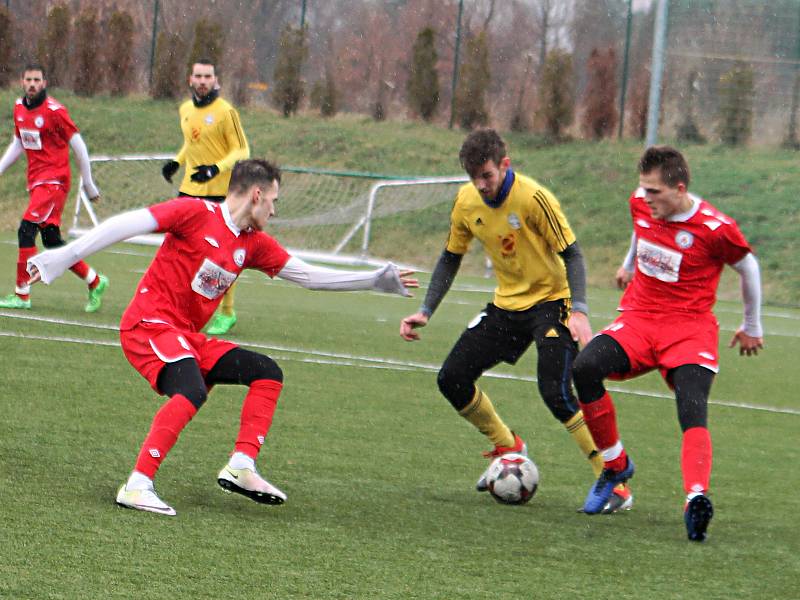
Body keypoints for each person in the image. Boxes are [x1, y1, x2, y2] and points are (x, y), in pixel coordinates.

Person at [28, 158, 418, 517]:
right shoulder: (195, 212)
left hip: (183, 336)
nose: (275, 211)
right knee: (192, 389)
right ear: (257, 194)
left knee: (267, 372)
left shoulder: (253, 244)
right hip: (147, 326)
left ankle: (241, 466)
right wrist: (63, 257)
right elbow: (125, 224)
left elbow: (309, 277)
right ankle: (137, 484)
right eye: (274, 201)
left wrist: (374, 280)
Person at [399, 129, 632, 512]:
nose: (481, 185)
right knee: (452, 378)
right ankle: (507, 444)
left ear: (505, 165)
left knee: (555, 393)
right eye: (474, 177)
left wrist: (580, 311)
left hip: (551, 302)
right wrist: (426, 309)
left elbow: (573, 255)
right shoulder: (466, 201)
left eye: (487, 176)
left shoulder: (534, 199)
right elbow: (450, 257)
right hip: (507, 305)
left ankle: (614, 479)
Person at [572, 145, 764, 541]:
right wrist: (629, 263)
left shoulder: (715, 229)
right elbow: (639, 227)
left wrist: (751, 325)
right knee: (585, 368)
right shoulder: (642, 205)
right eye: (642, 190)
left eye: (654, 192)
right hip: (641, 319)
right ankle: (615, 465)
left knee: (691, 402)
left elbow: (748, 266)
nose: (645, 198)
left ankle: (695, 499)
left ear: (679, 188)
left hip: (689, 328)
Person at [0, 64, 108, 312]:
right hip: (37, 182)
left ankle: (22, 293)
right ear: (22, 81)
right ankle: (95, 280)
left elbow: (79, 146)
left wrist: (89, 184)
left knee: (26, 230)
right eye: (28, 80)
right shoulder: (18, 108)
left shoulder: (55, 111)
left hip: (54, 181)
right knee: (51, 240)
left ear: (44, 82)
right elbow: (19, 141)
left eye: (37, 80)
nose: (32, 84)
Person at [161, 58, 250, 335]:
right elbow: (192, 142)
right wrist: (177, 161)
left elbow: (241, 151)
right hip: (190, 188)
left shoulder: (226, 112)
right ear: (190, 79)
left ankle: (226, 311)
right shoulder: (185, 109)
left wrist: (215, 169)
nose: (202, 81)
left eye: (207, 76)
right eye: (198, 76)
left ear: (215, 80)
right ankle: (173, 303)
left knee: (220, 254)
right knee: (174, 244)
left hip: (219, 192)